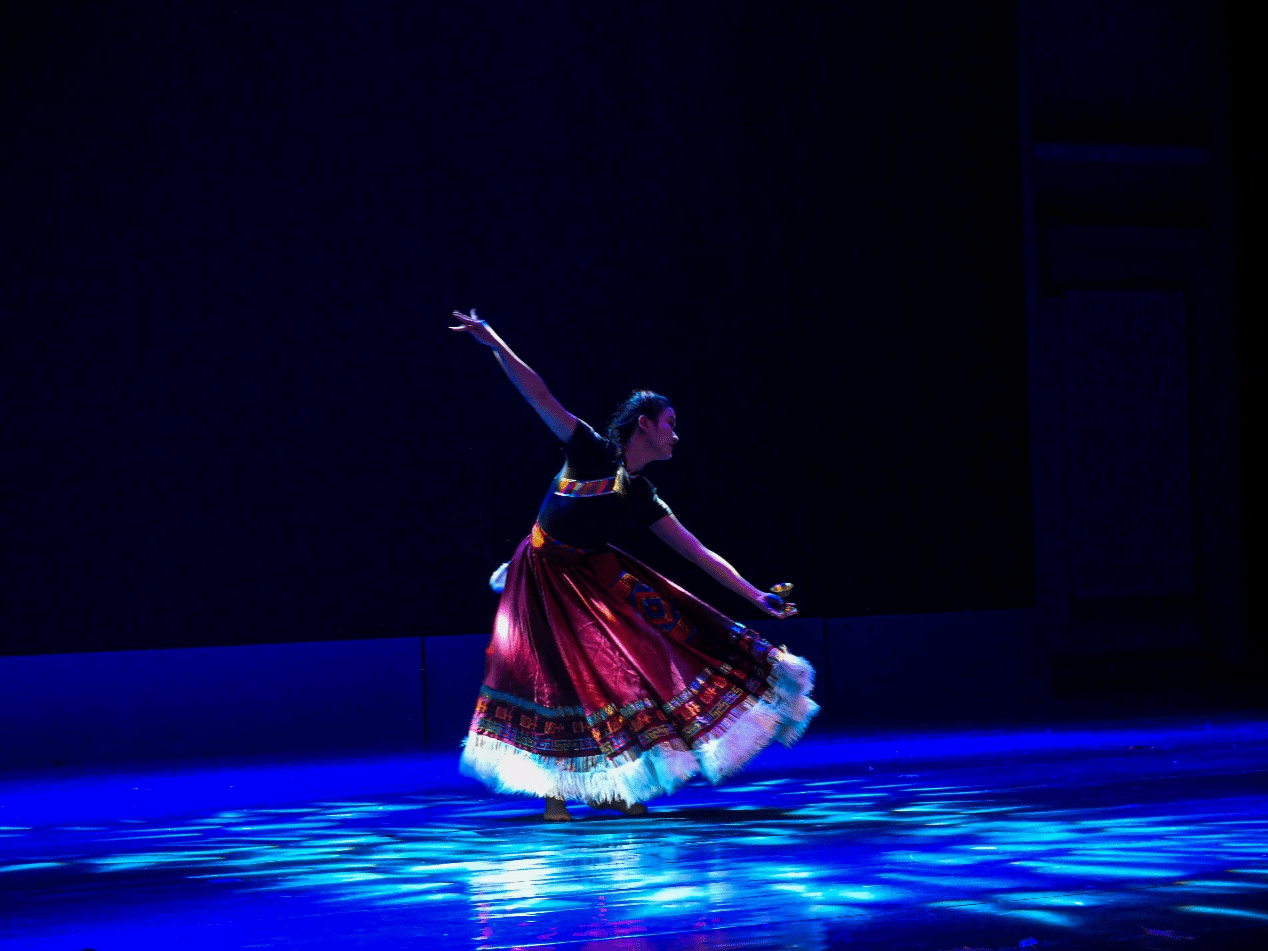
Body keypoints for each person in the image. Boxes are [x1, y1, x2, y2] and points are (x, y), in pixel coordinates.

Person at [451, 308, 818, 821]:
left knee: (614, 671)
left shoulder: (642, 496)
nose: (676, 435)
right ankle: (557, 794)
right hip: (541, 575)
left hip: (589, 577)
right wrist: (495, 344)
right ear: (643, 424)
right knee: (555, 677)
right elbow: (539, 395)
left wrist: (755, 594)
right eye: (670, 425)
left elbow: (697, 553)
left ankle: (610, 785)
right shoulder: (591, 451)